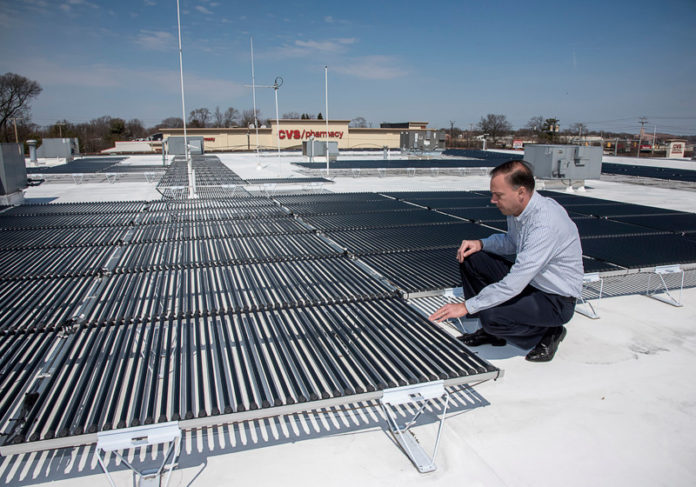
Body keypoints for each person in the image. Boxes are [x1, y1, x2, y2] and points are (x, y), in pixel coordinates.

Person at [429, 160, 583, 362]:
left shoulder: (545, 225)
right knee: (472, 258)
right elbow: (512, 242)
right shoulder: (519, 210)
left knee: (493, 317)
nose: (493, 200)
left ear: (521, 192)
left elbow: (514, 283)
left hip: (555, 299)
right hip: (533, 283)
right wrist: (481, 244)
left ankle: (548, 333)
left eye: (498, 195)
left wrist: (467, 306)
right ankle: (488, 331)